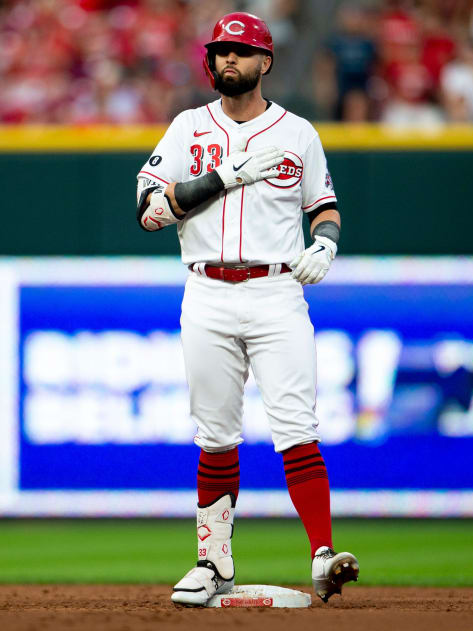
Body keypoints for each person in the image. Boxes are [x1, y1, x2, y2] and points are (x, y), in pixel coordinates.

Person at [136, 11, 359, 606]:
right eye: (220, 51)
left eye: (241, 50)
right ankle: (214, 563)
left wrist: (327, 241)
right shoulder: (187, 128)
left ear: (266, 62)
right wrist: (221, 178)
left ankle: (321, 556)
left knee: (296, 428)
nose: (228, 59)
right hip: (206, 289)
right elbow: (149, 210)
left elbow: (325, 205)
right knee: (214, 435)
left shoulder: (298, 133)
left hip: (276, 292)